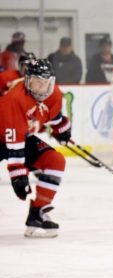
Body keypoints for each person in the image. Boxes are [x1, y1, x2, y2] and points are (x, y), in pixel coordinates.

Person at [0, 59, 71, 238]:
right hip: (4, 136)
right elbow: (14, 145)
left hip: (21, 137)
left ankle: (38, 212)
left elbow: (52, 116)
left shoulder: (54, 94)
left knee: (56, 160)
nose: (42, 87)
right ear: (27, 80)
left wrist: (61, 128)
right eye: (37, 82)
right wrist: (18, 175)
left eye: (45, 82)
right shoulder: (16, 98)